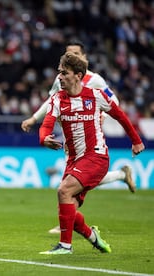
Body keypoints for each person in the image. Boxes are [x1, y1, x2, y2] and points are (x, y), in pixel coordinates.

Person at [21, 40, 136, 234]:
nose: (71, 56)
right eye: (68, 53)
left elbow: (113, 101)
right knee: (77, 180)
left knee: (73, 182)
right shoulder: (62, 78)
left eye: (75, 53)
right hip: (69, 136)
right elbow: (51, 101)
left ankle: (65, 225)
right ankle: (120, 176)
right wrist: (34, 119)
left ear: (83, 58)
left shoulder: (95, 80)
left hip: (90, 135)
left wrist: (102, 115)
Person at [39, 52, 144, 254]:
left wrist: (136, 141)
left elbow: (120, 116)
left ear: (78, 75)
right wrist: (44, 139)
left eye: (64, 73)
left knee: (63, 191)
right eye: (59, 73)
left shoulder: (95, 96)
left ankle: (64, 246)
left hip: (96, 157)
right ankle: (94, 238)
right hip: (74, 160)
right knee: (68, 207)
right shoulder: (57, 100)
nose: (60, 77)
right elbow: (46, 126)